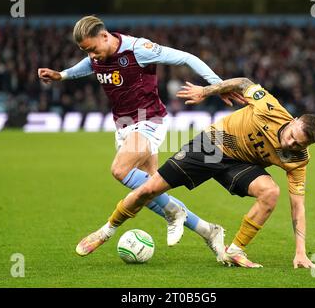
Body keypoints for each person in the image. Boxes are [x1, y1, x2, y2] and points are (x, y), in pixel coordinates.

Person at [38, 16, 245, 260]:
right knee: (148, 193)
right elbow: (88, 65)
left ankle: (168, 213)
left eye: (92, 49)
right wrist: (61, 75)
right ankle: (208, 231)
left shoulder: (139, 49)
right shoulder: (96, 56)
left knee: (120, 170)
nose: (91, 55)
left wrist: (217, 86)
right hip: (124, 126)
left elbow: (188, 58)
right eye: (85, 51)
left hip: (148, 121)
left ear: (105, 36)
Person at [79, 77, 315, 268]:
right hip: (212, 145)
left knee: (270, 192)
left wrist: (301, 251)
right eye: (292, 136)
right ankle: (106, 231)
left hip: (241, 165)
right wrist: (206, 91)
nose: (290, 144)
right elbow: (243, 83)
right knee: (150, 189)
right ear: (292, 120)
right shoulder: (268, 106)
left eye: (299, 144)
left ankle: (235, 251)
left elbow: (298, 205)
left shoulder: (298, 159)